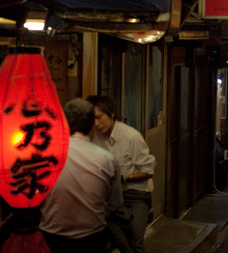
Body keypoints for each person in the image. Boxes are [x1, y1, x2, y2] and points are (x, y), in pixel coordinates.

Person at [39, 98, 123, 253]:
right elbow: (115, 203)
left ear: (64, 123)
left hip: (51, 237)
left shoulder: (47, 156)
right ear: (92, 125)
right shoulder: (106, 159)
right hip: (92, 237)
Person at [87, 95, 156, 253]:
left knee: (135, 243)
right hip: (111, 197)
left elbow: (148, 170)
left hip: (135, 193)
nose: (96, 124)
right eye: (93, 119)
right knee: (116, 241)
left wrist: (124, 178)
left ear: (111, 113)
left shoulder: (131, 136)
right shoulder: (95, 137)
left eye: (99, 117)